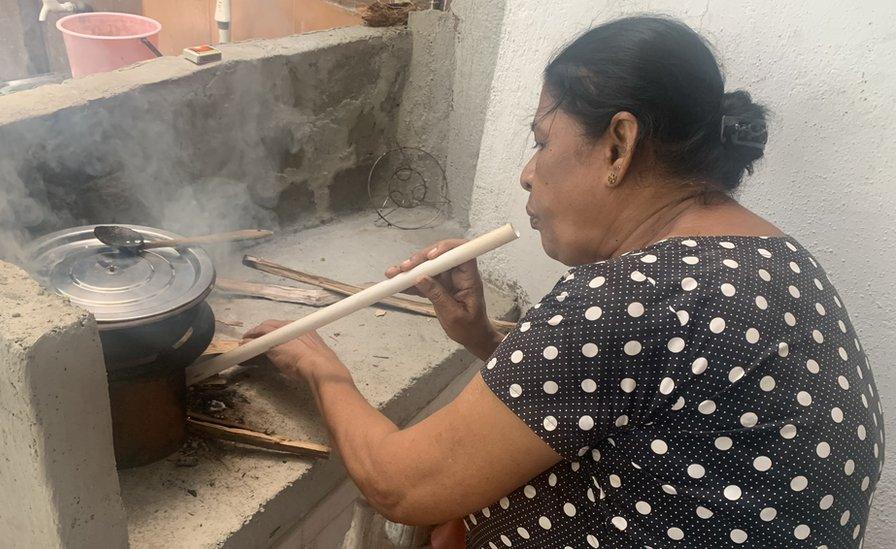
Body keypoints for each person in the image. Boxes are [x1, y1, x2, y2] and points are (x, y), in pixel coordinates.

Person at [244, 15, 883, 548]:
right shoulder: (779, 259)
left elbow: (402, 486)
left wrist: (319, 367)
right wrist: (480, 337)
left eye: (543, 140)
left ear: (618, 146)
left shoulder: (636, 295)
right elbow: (638, 405)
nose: (526, 173)